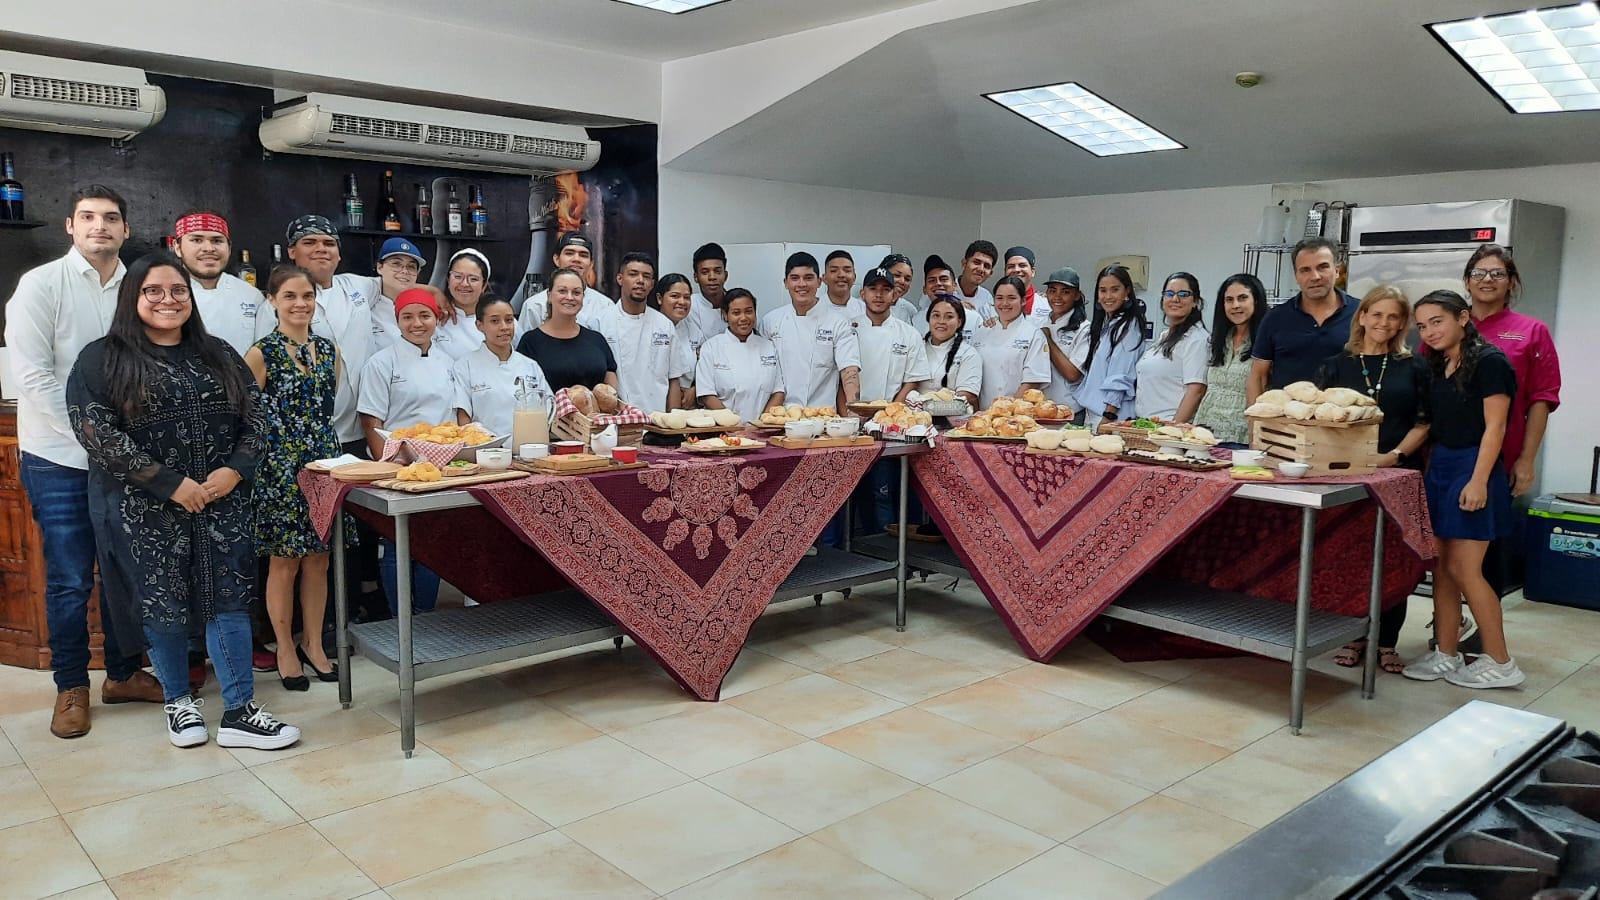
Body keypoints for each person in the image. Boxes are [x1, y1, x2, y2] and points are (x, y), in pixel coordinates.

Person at [67, 253, 299, 749]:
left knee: (229, 600)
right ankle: (179, 702)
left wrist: (234, 470)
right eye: (154, 291)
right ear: (134, 298)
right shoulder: (102, 358)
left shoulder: (218, 353)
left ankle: (239, 710)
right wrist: (170, 483)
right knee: (163, 601)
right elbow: (95, 432)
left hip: (222, 501)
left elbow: (257, 419)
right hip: (147, 507)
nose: (168, 300)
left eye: (178, 291)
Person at [7, 184, 164, 737]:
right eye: (89, 217)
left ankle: (122, 674)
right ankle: (71, 684)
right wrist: (93, 439)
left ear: (125, 230)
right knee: (71, 578)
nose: (101, 226)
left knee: (124, 572)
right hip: (58, 458)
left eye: (112, 218)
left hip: (123, 460)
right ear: (71, 226)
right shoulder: (40, 285)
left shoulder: (137, 288)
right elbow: (33, 377)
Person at [265, 215, 385, 622]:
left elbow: (403, 282)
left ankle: (341, 618)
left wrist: (435, 298)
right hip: (292, 450)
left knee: (341, 539)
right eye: (310, 242)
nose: (321, 250)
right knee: (293, 546)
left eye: (329, 243)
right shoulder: (274, 324)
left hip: (347, 436)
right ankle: (295, 629)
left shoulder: (359, 287)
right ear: (292, 251)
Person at [1402, 290, 1523, 689]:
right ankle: (1446, 654)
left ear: (1463, 318)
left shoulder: (1490, 362)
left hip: (1475, 466)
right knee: (1442, 568)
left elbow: (1496, 427)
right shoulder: (1437, 363)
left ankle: (1501, 662)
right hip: (1442, 466)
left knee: (1465, 568)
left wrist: (1477, 480)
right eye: (1422, 325)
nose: (1429, 331)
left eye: (1437, 321)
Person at [1316, 285, 1431, 676]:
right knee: (1350, 555)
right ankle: (1352, 634)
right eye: (1376, 314)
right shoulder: (1335, 365)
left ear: (1402, 324)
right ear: (1361, 316)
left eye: (1394, 316)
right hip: (1344, 476)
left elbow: (1423, 421)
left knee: (1395, 558)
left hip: (1397, 473)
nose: (1384, 323)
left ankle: (1387, 641)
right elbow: (1320, 421)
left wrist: (1394, 456)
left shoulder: (1413, 366)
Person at [244, 265, 345, 691]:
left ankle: (314, 643)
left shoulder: (329, 350)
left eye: (307, 295)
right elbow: (246, 414)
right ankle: (284, 646)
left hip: (324, 463)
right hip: (280, 467)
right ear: (272, 301)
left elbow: (329, 408)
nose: (300, 304)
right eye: (289, 296)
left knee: (319, 558)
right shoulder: (260, 353)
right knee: (284, 562)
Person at [358, 288, 458, 615]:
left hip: (441, 468)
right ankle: (399, 620)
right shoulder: (381, 362)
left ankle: (425, 619)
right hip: (399, 468)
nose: (417, 323)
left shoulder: (448, 362)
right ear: (396, 320)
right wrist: (387, 468)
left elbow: (455, 417)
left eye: (424, 315)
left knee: (432, 547)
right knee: (396, 546)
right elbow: (371, 420)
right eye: (408, 317)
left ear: (436, 318)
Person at [1462, 243, 1561, 496]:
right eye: (1478, 273)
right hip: (1445, 452)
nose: (1487, 279)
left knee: (1487, 532)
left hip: (1504, 453)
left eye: (1498, 274)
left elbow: (1542, 399)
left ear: (1511, 282)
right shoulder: (1448, 327)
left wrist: (1527, 459)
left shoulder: (1532, 331)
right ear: (1466, 281)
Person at [1248, 236, 1358, 401]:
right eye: (1305, 270)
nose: (1315, 276)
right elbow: (1258, 377)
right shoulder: (1275, 318)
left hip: (1344, 420)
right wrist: (1255, 423)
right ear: (1296, 276)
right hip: (1287, 422)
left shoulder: (1361, 314)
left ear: (1337, 270)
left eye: (1323, 267)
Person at [759, 252, 862, 410]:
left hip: (822, 415)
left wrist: (854, 412)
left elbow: (849, 370)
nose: (802, 284)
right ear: (785, 283)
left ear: (819, 281)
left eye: (808, 278)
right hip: (778, 416)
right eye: (795, 278)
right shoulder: (770, 321)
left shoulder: (838, 323)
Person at [592, 253, 693, 412]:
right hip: (615, 420)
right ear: (620, 279)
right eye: (633, 274)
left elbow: (673, 379)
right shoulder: (600, 322)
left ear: (652, 284)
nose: (640, 281)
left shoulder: (664, 325)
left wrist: (674, 423)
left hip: (656, 420)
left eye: (646, 276)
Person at [453, 296, 552, 437]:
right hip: (486, 451)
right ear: (479, 325)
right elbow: (463, 418)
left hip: (530, 449)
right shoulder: (465, 366)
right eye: (495, 321)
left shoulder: (530, 365)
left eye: (509, 320)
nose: (504, 327)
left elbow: (548, 408)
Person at [1062, 265, 1149, 425]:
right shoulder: (1108, 324)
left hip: (1110, 417)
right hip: (1094, 414)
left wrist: (1108, 417)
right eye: (1103, 290)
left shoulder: (1128, 326)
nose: (1108, 296)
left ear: (1127, 292)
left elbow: (1121, 375)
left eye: (1115, 290)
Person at [516, 268, 620, 393]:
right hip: (549, 412)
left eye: (576, 293)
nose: (570, 297)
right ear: (549, 296)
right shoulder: (530, 342)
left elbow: (610, 384)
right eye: (562, 291)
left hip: (596, 412)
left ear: (583, 298)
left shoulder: (596, 339)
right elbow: (522, 389)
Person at [173, 210, 262, 355]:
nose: (208, 248)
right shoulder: (164, 298)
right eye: (196, 240)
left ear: (229, 248)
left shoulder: (252, 296)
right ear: (177, 247)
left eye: (217, 241)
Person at [1194, 274, 1267, 445]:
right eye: (1229, 300)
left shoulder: (1266, 341)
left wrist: (1256, 438)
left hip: (1241, 438)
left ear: (1256, 301)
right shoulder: (1219, 340)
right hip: (1205, 436)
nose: (1235, 305)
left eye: (1242, 298)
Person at [695, 288, 785, 421]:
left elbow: (778, 392)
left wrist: (761, 423)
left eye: (749, 311)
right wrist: (733, 425)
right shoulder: (711, 347)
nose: (743, 318)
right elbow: (707, 394)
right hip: (722, 431)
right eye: (736, 313)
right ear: (725, 315)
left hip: (760, 429)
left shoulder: (768, 346)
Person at [1134, 272, 1210, 421]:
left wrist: (1172, 430)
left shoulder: (1197, 339)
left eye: (1183, 294)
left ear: (1195, 301)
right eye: (1169, 293)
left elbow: (1196, 391)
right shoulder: (1164, 336)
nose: (1175, 299)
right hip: (1148, 425)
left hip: (1169, 430)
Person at [852, 267, 931, 404]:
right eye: (873, 289)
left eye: (886, 289)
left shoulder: (910, 334)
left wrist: (891, 412)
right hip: (853, 410)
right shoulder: (848, 330)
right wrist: (850, 413)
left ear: (894, 296)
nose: (878, 295)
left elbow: (912, 381)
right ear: (863, 294)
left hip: (892, 413)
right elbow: (840, 378)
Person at [971, 275, 1050, 408]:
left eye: (1011, 298)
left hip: (1015, 415)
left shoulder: (1033, 335)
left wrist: (1007, 411)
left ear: (1023, 301)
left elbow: (1032, 382)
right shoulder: (981, 332)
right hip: (981, 414)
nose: (1005, 303)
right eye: (999, 298)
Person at [517, 232, 613, 331]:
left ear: (591, 264)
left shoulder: (605, 306)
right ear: (556, 259)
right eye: (569, 253)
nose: (576, 259)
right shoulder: (535, 306)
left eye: (583, 255)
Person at [1040, 267, 1088, 418]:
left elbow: (1073, 374)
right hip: (1040, 411)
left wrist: (1047, 339)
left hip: (1069, 411)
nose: (1057, 297)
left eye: (1065, 292)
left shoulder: (1084, 328)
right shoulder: (1038, 323)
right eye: (1052, 290)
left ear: (1077, 295)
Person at [919, 294, 983, 408]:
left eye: (949, 317)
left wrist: (924, 407)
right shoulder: (917, 348)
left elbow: (967, 396)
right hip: (913, 419)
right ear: (928, 319)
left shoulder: (968, 354)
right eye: (936, 315)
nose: (941, 321)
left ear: (959, 322)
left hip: (953, 422)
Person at [368, 237, 427, 354]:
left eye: (411, 266)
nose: (404, 271)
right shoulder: (364, 305)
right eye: (396, 264)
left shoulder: (425, 308)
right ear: (380, 267)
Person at [432, 249, 492, 360]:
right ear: (448, 281)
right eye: (458, 277)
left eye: (473, 279)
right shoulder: (434, 315)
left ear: (484, 286)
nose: (464, 284)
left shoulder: (500, 319)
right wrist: (434, 291)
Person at [653, 273, 701, 403]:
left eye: (687, 297)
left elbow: (705, 370)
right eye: (675, 296)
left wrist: (694, 391)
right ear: (659, 298)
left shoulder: (695, 331)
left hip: (688, 405)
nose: (682, 302)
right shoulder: (649, 327)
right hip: (655, 402)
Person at [686, 242, 729, 350]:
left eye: (717, 271)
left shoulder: (739, 305)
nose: (712, 277)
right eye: (705, 272)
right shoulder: (687, 306)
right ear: (696, 277)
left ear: (725, 275)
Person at [1001, 246, 1052, 326]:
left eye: (1022, 265)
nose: (1016, 270)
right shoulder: (991, 307)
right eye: (1011, 266)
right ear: (1005, 272)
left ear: (1033, 272)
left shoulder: (1048, 305)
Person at [957, 240, 999, 322]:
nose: (981, 269)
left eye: (986, 266)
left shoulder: (987, 298)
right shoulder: (945, 290)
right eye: (976, 262)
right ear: (964, 263)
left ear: (990, 273)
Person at [879, 253, 922, 325]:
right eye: (897, 275)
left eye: (907, 279)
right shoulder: (864, 305)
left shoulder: (910, 310)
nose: (902, 281)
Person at [823, 250, 865, 317]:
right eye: (834, 270)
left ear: (854, 277)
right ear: (824, 278)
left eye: (847, 270)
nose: (841, 275)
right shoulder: (812, 309)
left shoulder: (865, 310)